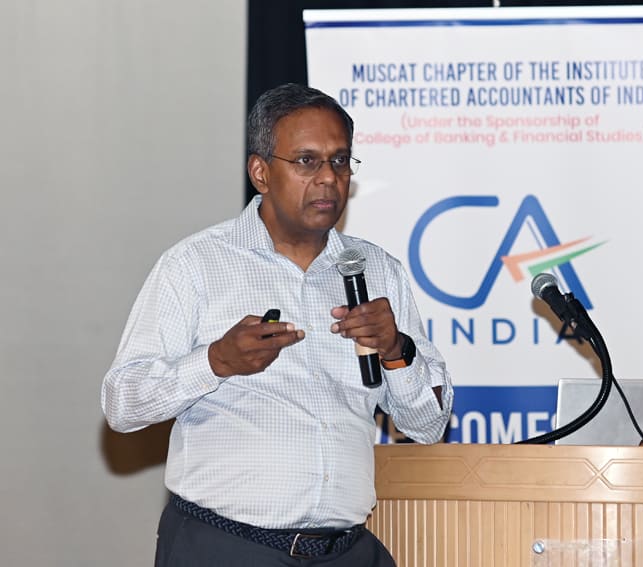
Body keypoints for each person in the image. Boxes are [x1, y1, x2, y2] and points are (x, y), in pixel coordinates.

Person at [102, 83, 453, 566]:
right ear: (261, 172)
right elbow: (122, 404)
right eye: (307, 161)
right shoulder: (196, 265)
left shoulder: (379, 272)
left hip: (345, 550)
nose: (328, 178)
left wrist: (396, 349)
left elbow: (428, 425)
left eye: (340, 161)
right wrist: (215, 361)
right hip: (225, 547)